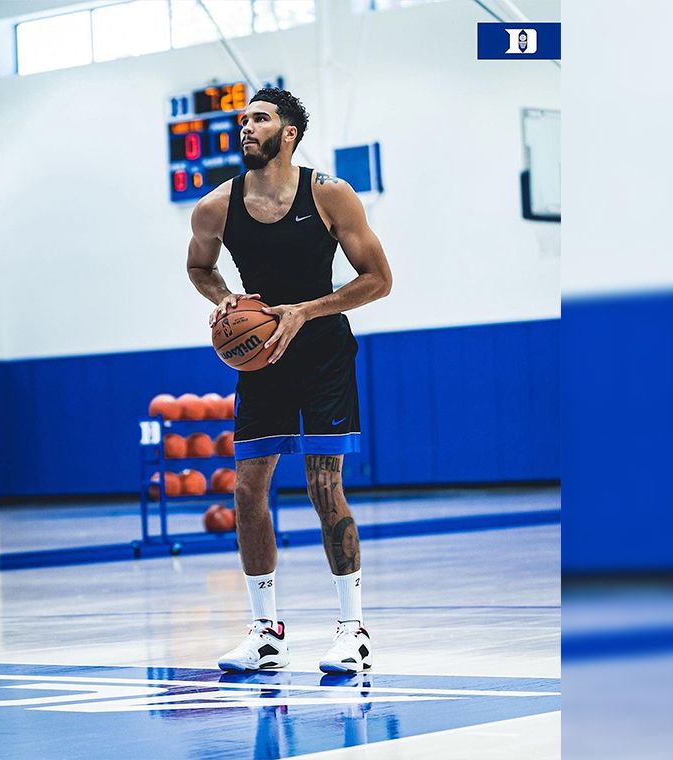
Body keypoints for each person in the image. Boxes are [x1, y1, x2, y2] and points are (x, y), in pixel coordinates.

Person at [186, 87, 392, 673]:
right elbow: (198, 266)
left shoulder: (330, 195)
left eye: (259, 119)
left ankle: (352, 631)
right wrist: (226, 299)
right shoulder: (215, 208)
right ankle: (265, 631)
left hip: (323, 353)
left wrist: (304, 311)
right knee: (247, 490)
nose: (246, 127)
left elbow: (378, 279)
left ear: (289, 133)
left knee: (324, 488)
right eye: (243, 120)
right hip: (260, 361)